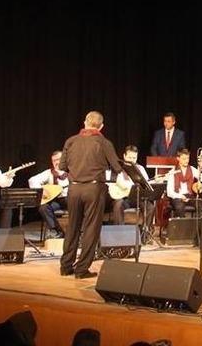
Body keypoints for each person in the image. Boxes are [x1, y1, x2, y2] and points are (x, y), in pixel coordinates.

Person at [59, 111, 122, 279]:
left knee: (72, 227)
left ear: (85, 122)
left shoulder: (71, 141)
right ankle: (81, 270)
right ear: (101, 126)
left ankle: (65, 266)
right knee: (90, 229)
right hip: (93, 189)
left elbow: (62, 166)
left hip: (73, 189)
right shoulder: (104, 142)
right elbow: (117, 167)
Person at [27, 150, 69, 238]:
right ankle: (57, 231)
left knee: (80, 204)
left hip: (70, 200)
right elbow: (32, 180)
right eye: (54, 161)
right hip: (57, 201)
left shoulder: (73, 172)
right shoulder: (49, 173)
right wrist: (43, 191)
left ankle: (78, 232)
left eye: (59, 159)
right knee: (43, 207)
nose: (56, 162)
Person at [165, 149, 202, 218]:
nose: (186, 160)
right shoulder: (173, 172)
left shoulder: (192, 169)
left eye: (187, 158)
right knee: (179, 207)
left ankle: (196, 227)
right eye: (184, 159)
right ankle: (182, 227)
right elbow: (169, 192)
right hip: (177, 196)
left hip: (190, 196)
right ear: (178, 159)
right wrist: (180, 196)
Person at [111, 145, 149, 225]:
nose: (132, 160)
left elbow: (146, 184)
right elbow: (115, 185)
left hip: (136, 198)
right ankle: (119, 232)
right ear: (124, 156)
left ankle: (144, 233)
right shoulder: (118, 169)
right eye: (130, 157)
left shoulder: (140, 169)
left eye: (134, 158)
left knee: (150, 206)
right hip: (123, 198)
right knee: (118, 205)